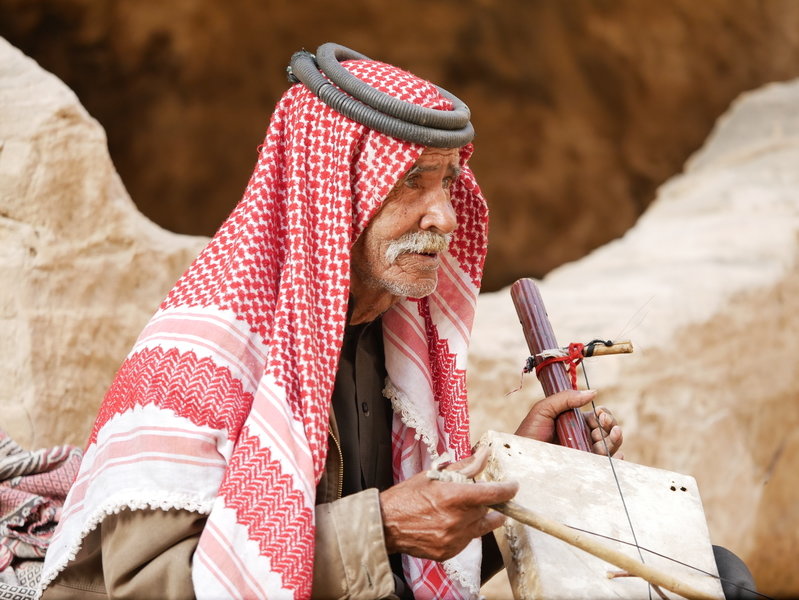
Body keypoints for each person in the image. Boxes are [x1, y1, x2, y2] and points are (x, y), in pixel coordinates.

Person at [39, 45, 623, 599]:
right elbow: (146, 585)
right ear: (336, 192)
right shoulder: (201, 356)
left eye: (447, 181)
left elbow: (417, 566)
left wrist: (528, 470)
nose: (444, 216)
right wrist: (382, 527)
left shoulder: (391, 338)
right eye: (410, 181)